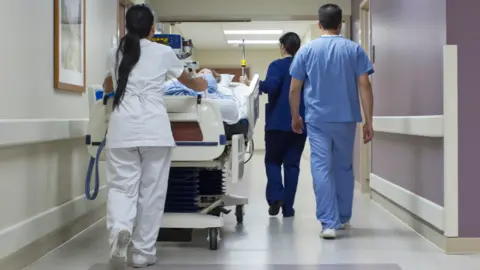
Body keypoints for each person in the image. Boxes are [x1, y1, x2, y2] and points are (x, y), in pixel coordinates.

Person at [102, 4, 207, 268]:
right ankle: (142, 253)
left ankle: (119, 230)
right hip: (154, 131)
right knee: (151, 193)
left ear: (126, 27)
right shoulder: (163, 52)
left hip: (122, 129)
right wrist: (204, 81)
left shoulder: (115, 52)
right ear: (152, 29)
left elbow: (108, 85)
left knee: (121, 187)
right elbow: (189, 81)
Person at [289, 3, 374, 239]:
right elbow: (365, 85)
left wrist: (295, 116)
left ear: (319, 24)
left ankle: (328, 223)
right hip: (346, 118)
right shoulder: (354, 49)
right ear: (341, 24)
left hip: (317, 119)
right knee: (344, 167)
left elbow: (294, 88)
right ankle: (344, 217)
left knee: (321, 167)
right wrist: (369, 121)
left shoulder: (306, 51)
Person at [241, 32, 306, 218]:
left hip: (277, 124)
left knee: (272, 161)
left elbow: (272, 86)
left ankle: (276, 196)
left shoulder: (276, 65)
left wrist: (252, 84)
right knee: (292, 166)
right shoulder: (305, 66)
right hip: (300, 123)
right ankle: (288, 208)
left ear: (282, 47)